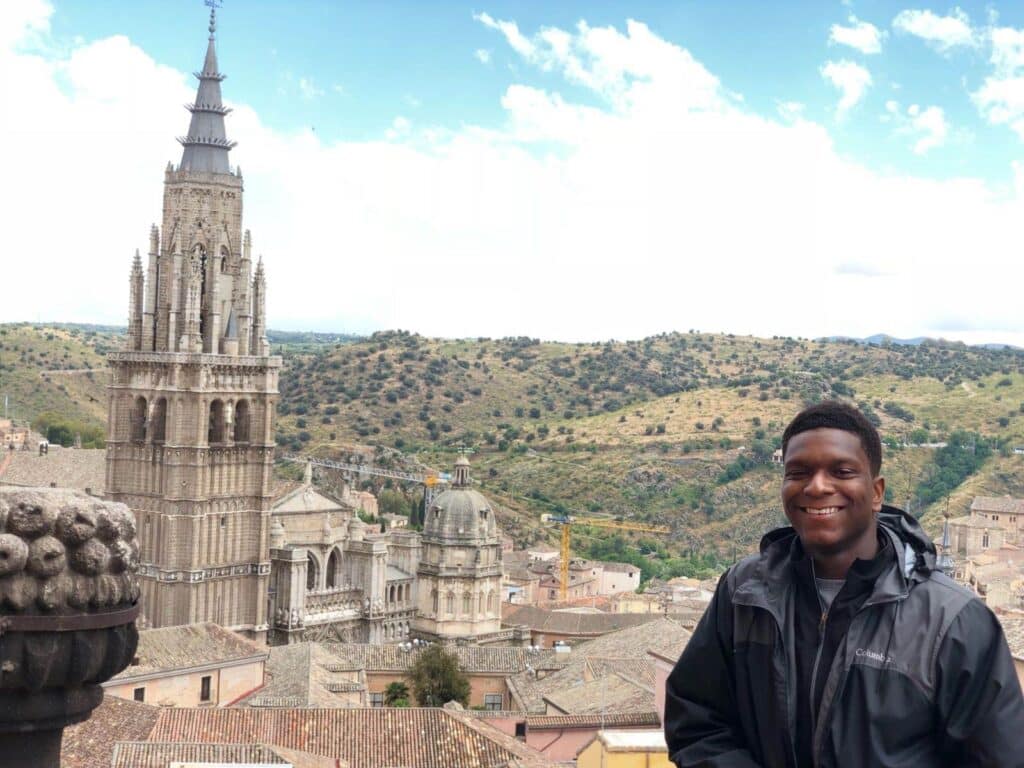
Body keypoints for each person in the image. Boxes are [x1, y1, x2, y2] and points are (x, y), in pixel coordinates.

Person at [664, 401, 1024, 767]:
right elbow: (697, 721)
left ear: (877, 492)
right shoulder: (744, 593)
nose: (817, 486)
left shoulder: (955, 623)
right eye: (799, 472)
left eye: (842, 471)